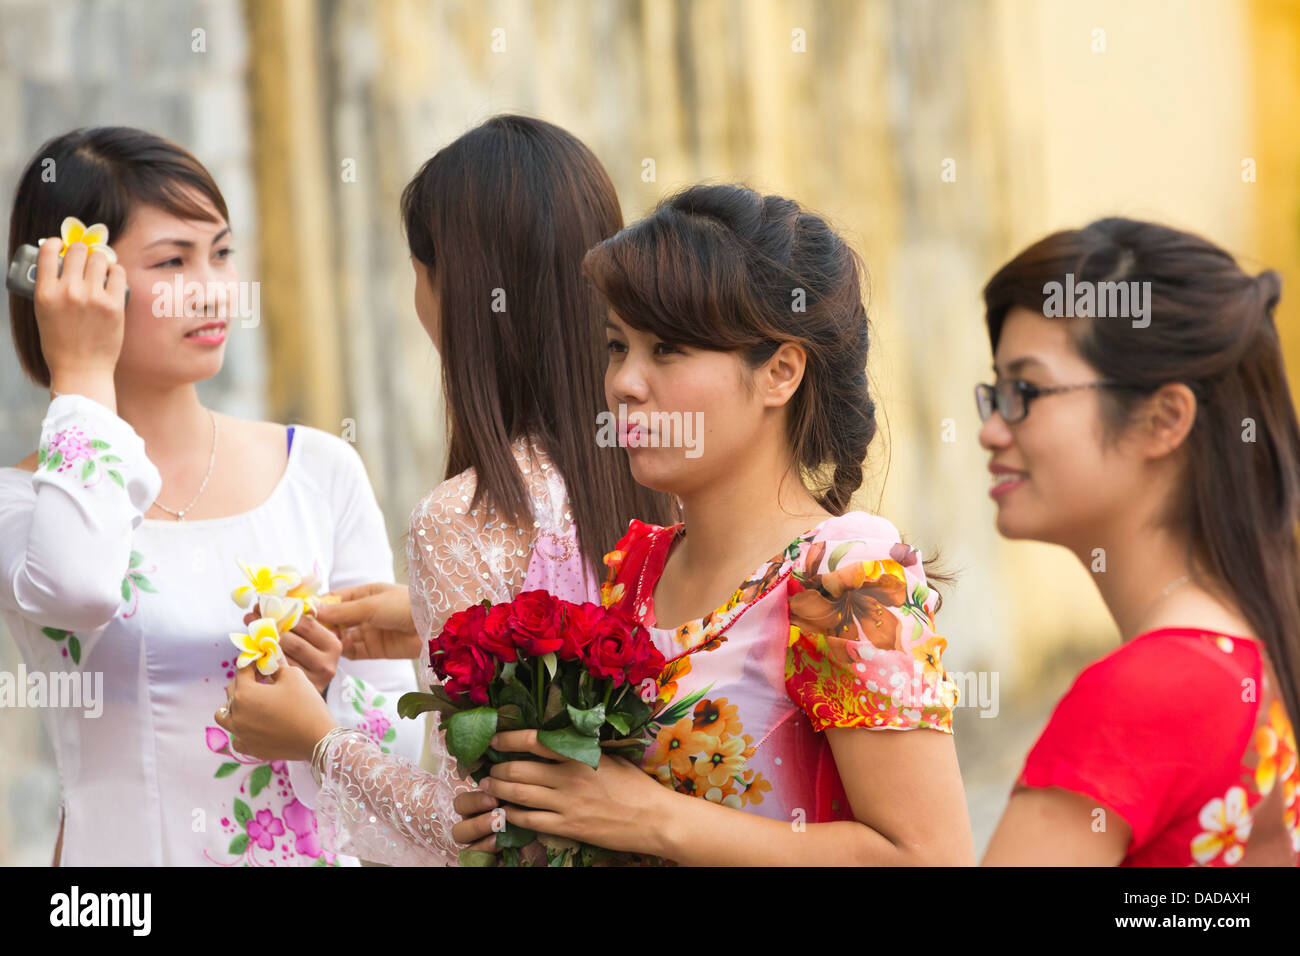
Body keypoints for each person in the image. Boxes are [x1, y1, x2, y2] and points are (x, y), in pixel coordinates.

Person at [450, 184, 975, 864]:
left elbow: (929, 857)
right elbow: (611, 813)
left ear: (780, 372)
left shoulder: (841, 572)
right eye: (617, 346)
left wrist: (653, 820)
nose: (625, 383)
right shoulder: (637, 570)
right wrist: (537, 820)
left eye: (667, 349)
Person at [216, 115, 673, 865]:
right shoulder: (668, 466)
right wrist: (424, 616)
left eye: (420, 270)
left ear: (452, 290)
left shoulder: (465, 518)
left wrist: (316, 741)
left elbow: (490, 827)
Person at [0, 126, 422, 866]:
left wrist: (318, 701)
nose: (213, 289)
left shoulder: (319, 470)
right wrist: (81, 375)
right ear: (70, 282)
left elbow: (396, 736)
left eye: (221, 254)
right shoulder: (24, 504)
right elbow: (78, 587)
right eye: (172, 261)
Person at [977, 218, 1300, 865]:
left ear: (1164, 419)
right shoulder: (1249, 650)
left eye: (1024, 391)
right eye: (995, 392)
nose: (989, 432)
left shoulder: (1150, 690)